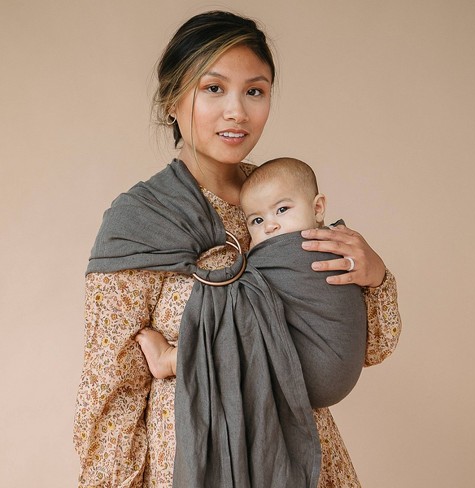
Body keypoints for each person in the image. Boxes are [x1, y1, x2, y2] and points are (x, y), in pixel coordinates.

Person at [74, 10, 402, 488]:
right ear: (172, 99)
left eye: (255, 91)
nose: (237, 112)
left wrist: (376, 278)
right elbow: (111, 391)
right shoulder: (140, 222)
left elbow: (368, 348)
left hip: (298, 460)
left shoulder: (281, 200)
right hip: (192, 463)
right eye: (213, 88)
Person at [136, 156, 368, 409]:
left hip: (311, 368)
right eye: (257, 220)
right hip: (332, 376)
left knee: (235, 316)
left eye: (282, 209)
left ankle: (172, 360)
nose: (270, 226)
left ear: (318, 208)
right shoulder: (340, 244)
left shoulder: (329, 249)